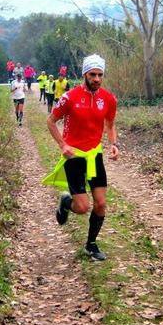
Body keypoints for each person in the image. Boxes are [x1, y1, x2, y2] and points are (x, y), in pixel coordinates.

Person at [43, 54, 118, 261]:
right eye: (92, 74)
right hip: (74, 156)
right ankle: (66, 202)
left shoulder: (108, 99)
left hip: (94, 155)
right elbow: (50, 121)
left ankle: (91, 245)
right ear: (85, 74)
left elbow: (110, 125)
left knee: (101, 203)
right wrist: (63, 145)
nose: (97, 79)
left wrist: (114, 144)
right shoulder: (70, 97)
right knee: (83, 207)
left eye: (100, 75)